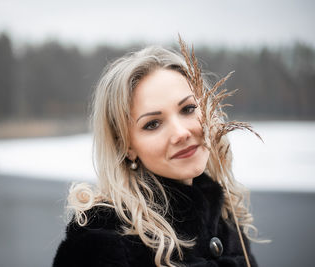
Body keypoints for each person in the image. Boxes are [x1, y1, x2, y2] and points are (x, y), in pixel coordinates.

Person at [53, 39, 261, 267]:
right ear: (126, 146)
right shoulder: (104, 242)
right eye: (153, 124)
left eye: (188, 109)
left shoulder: (224, 218)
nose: (181, 133)